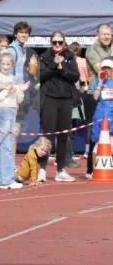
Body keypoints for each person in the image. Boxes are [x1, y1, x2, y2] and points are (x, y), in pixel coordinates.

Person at [39, 31, 80, 182]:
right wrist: (53, 65)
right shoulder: (44, 56)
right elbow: (40, 76)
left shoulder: (70, 55)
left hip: (66, 99)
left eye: (60, 42)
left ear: (64, 42)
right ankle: (42, 169)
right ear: (51, 42)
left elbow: (75, 76)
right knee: (47, 134)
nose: (57, 45)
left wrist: (62, 68)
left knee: (64, 135)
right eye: (54, 42)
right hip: (49, 98)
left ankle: (60, 170)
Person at [0, 50, 24, 189]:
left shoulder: (14, 78)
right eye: (3, 64)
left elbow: (19, 99)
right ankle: (4, 179)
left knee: (9, 146)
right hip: (1, 111)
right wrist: (7, 90)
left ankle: (5, 176)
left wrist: (18, 90)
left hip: (12, 111)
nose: (6, 66)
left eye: (8, 64)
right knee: (4, 146)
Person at [87, 57, 113, 178]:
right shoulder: (97, 82)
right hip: (100, 116)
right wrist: (101, 83)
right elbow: (95, 98)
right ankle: (93, 170)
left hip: (111, 116)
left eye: (109, 68)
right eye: (104, 68)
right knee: (97, 144)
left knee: (111, 144)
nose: (106, 70)